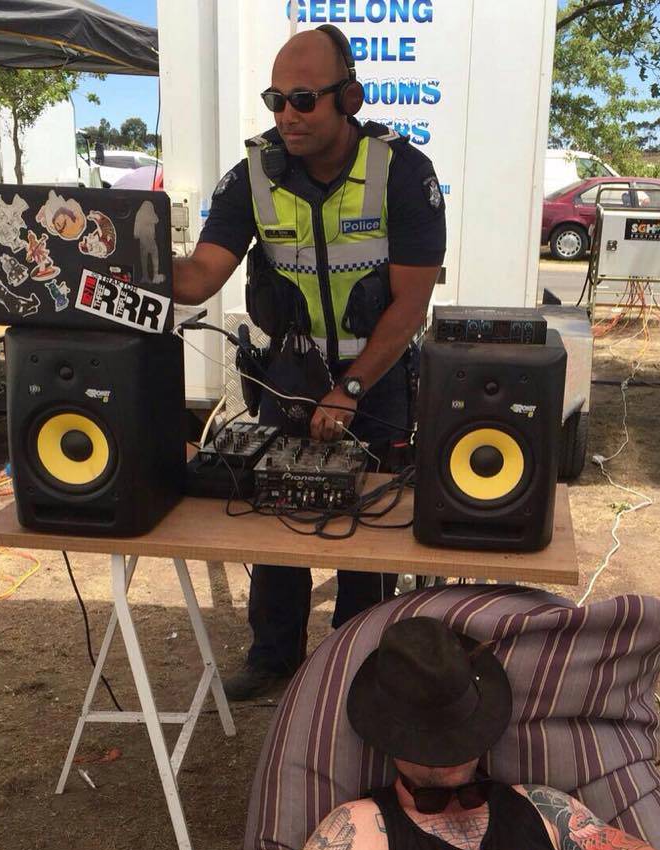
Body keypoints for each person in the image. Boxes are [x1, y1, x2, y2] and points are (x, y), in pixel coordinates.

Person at [173, 26, 445, 699]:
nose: (286, 116)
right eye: (275, 100)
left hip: (376, 380)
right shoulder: (253, 175)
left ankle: (359, 662)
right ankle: (274, 657)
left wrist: (352, 386)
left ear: (347, 96)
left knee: (371, 532)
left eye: (302, 99)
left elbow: (411, 303)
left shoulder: (403, 172)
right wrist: (120, 258)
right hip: (286, 376)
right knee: (274, 518)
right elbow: (200, 276)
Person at [268, 618, 660, 850]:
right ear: (387, 736)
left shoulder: (540, 805)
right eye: (429, 740)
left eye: (456, 734)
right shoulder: (359, 827)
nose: (448, 752)